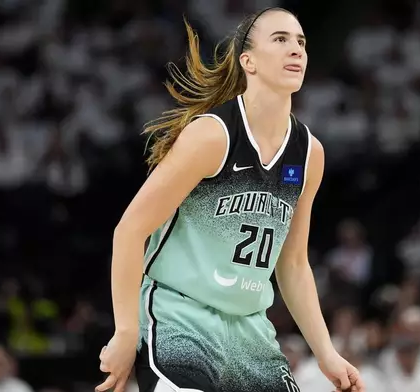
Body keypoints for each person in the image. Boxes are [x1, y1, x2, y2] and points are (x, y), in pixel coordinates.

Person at [96, 7, 365, 392]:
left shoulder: (309, 154)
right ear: (248, 61)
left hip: (251, 331)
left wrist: (326, 353)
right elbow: (130, 230)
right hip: (180, 317)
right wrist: (126, 332)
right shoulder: (212, 136)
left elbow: (292, 263)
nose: (297, 50)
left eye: (301, 42)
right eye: (281, 40)